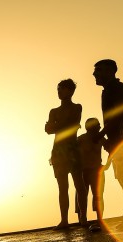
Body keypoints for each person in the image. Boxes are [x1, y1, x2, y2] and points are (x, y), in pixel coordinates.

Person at [93, 59, 123, 217]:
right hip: (117, 139)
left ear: (109, 71)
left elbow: (118, 116)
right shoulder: (108, 90)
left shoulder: (117, 88)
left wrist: (101, 134)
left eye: (98, 70)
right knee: (122, 176)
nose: (94, 74)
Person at [45, 79, 87, 229]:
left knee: (79, 185)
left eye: (62, 89)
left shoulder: (77, 107)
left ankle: (83, 216)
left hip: (72, 149)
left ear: (70, 91)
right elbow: (48, 129)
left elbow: (71, 124)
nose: (59, 92)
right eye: (58, 89)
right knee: (62, 187)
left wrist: (56, 125)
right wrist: (57, 126)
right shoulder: (54, 111)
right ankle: (64, 220)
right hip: (58, 151)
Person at [77, 118, 108, 229]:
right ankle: (82, 218)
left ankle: (100, 219)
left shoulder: (101, 139)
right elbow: (73, 154)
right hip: (84, 171)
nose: (99, 127)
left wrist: (107, 164)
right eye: (98, 126)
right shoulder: (81, 139)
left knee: (98, 195)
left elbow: (110, 148)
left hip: (97, 170)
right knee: (82, 194)